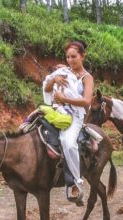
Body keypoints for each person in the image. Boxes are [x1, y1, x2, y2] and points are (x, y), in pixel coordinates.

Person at [42, 41, 94, 203]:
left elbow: (86, 102)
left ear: (82, 56)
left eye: (74, 56)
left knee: (68, 142)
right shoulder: (63, 72)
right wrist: (54, 79)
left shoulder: (87, 78)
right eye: (68, 57)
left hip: (74, 118)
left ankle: (76, 181)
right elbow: (47, 89)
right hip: (57, 112)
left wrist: (64, 98)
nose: (70, 60)